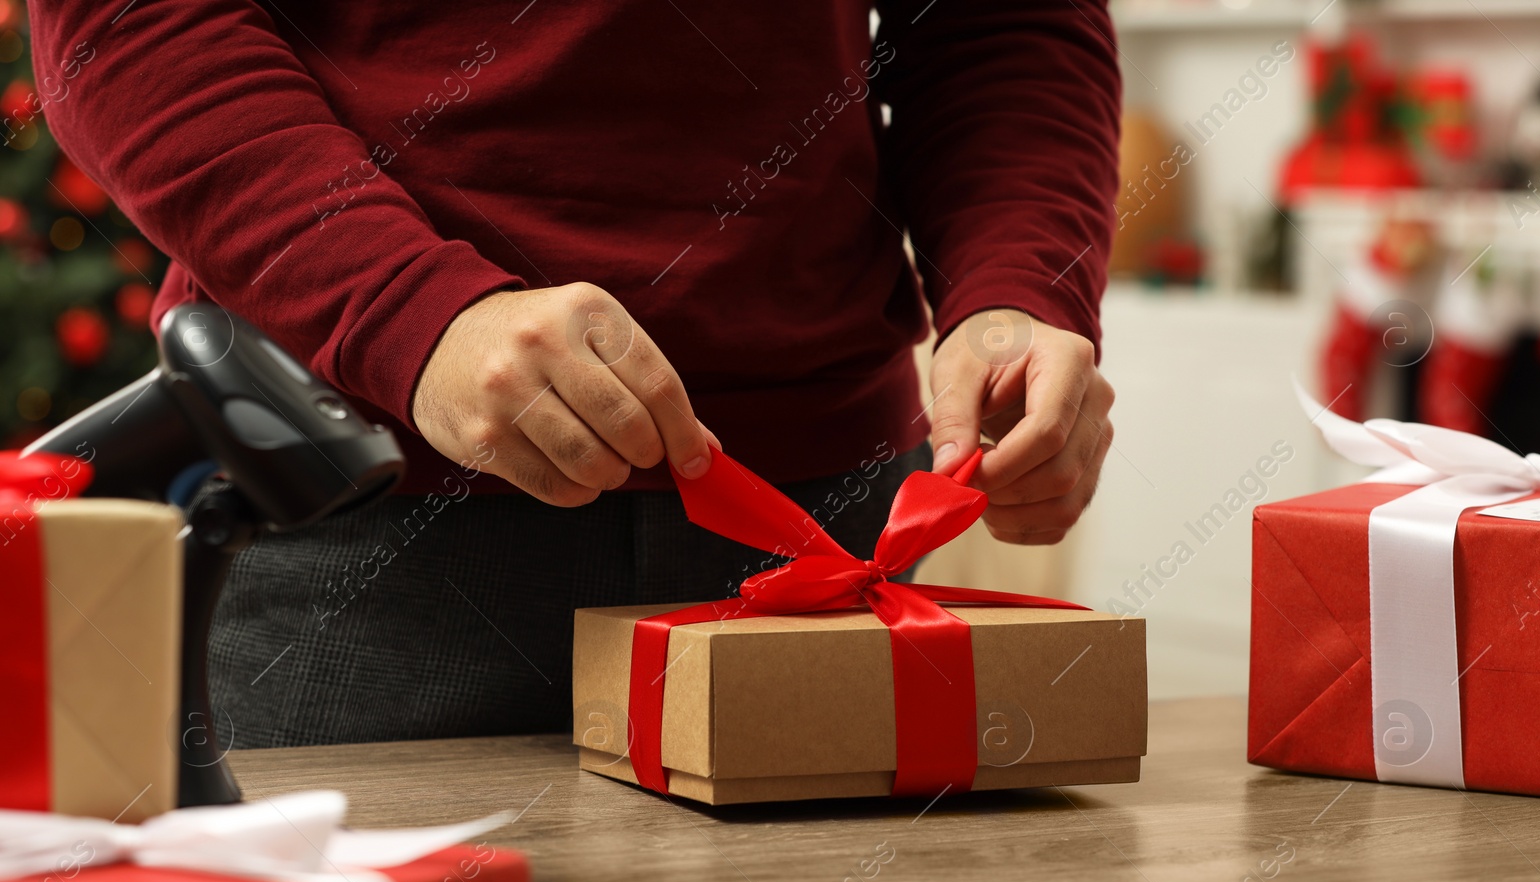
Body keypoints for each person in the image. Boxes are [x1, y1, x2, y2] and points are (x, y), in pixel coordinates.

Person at [31, 1, 1120, 746]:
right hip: (360, 522)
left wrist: (1017, 289)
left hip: (825, 533)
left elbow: (1003, 25)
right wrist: (411, 309)